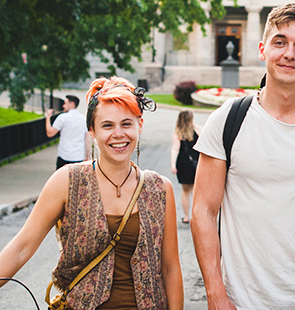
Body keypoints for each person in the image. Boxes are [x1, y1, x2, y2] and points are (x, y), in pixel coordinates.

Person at [191, 3, 295, 310]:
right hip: (244, 302)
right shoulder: (227, 120)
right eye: (279, 42)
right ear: (262, 49)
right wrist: (215, 294)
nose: (289, 53)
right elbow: (203, 211)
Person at [0, 77, 184, 309]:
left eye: (126, 124)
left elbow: (170, 267)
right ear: (92, 130)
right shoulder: (67, 181)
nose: (118, 134)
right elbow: (21, 248)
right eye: (107, 125)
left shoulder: (160, 188)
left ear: (140, 125)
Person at [45, 95, 90, 170]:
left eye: (65, 103)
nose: (63, 106)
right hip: (78, 156)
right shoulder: (84, 119)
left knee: (61, 180)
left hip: (64, 156)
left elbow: (50, 133)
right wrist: (87, 156)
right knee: (76, 181)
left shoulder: (62, 117)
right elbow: (87, 140)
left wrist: (48, 117)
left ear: (71, 104)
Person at [171, 110, 200, 224]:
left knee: (185, 190)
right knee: (195, 190)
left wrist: (173, 164)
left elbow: (175, 149)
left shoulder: (177, 133)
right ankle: (196, 215)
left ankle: (186, 216)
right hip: (196, 163)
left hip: (183, 163)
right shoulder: (198, 130)